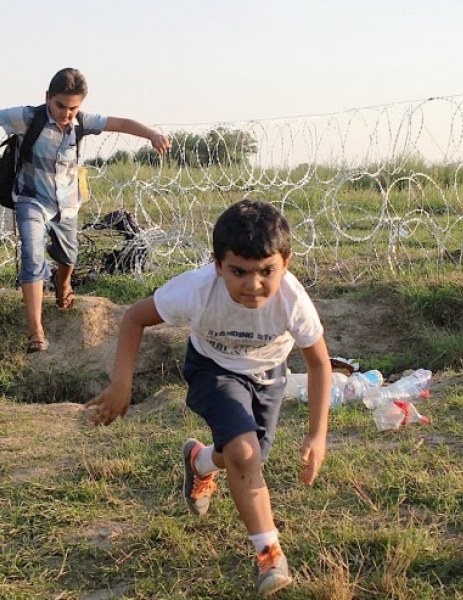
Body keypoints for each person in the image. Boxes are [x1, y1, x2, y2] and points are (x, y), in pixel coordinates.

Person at [85, 199, 332, 597]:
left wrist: (317, 435)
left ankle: (200, 460)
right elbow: (134, 317)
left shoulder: (293, 301)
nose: (253, 285)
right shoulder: (197, 289)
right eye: (239, 272)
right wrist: (121, 384)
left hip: (269, 376)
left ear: (285, 263)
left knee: (246, 458)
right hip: (213, 369)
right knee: (246, 456)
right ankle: (269, 554)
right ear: (217, 264)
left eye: (266, 271)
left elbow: (319, 364)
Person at [0, 68, 169, 353]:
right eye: (60, 106)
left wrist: (151, 135)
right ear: (48, 98)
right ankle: (36, 331)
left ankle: (63, 281)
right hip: (30, 200)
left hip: (68, 205)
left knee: (68, 257)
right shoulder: (28, 117)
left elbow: (120, 123)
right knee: (32, 257)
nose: (66, 114)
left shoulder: (82, 122)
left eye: (73, 108)